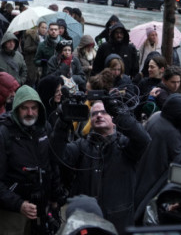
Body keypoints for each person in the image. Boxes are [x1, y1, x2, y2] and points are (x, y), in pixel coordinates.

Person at [51, 96, 151, 233]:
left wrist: (119, 113)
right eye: (94, 114)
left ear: (113, 120)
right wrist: (62, 123)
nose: (99, 115)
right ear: (90, 121)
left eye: (104, 112)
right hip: (87, 223)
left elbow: (144, 139)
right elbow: (58, 156)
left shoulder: (125, 145)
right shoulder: (82, 145)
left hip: (118, 222)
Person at [0, 86, 61, 234]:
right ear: (16, 109)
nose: (30, 113)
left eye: (34, 108)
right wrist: (18, 204)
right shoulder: (2, 134)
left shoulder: (45, 128)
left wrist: (55, 196)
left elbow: (52, 165)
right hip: (11, 213)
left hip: (41, 208)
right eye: (24, 108)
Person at [134, 94, 181, 218]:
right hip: (156, 173)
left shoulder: (157, 115)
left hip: (144, 165)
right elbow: (178, 161)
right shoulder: (171, 132)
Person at [21, 21, 47, 85]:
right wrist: (37, 47)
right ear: (38, 28)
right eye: (42, 27)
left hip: (41, 64)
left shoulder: (46, 38)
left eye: (45, 28)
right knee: (31, 82)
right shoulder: (32, 36)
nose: (44, 29)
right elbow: (26, 48)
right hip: (31, 63)